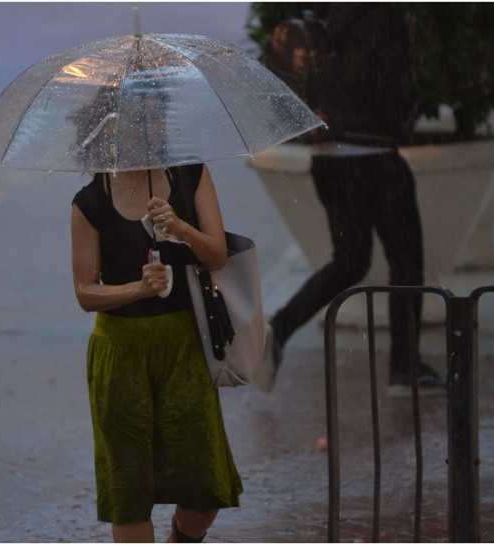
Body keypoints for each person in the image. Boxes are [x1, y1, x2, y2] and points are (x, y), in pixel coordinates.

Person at [254, 3, 446, 396]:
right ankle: (405, 368)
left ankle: (278, 330)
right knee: (407, 262)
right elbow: (387, 88)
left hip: (329, 159)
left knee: (350, 261)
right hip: (372, 154)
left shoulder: (331, 11)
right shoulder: (381, 15)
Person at [70, 162, 243, 542]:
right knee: (129, 487)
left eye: (152, 114)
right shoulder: (90, 201)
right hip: (120, 353)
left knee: (204, 484)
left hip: (184, 346)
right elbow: (85, 292)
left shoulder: (190, 174)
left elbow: (216, 255)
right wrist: (138, 289)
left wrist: (179, 228)